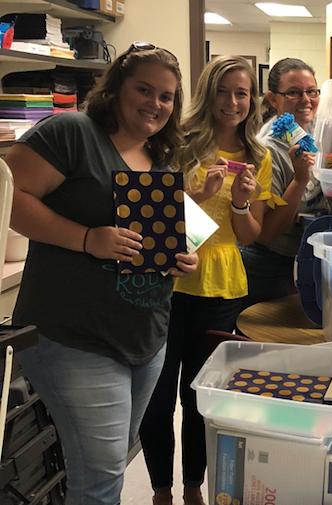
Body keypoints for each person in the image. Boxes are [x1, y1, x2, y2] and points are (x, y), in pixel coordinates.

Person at [7, 43, 198, 504]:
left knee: (105, 466)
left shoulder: (161, 158)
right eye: (144, 89)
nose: (156, 104)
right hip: (76, 338)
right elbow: (7, 201)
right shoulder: (72, 133)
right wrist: (88, 238)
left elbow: (167, 240)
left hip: (145, 338)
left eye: (167, 96)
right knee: (102, 478)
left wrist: (182, 257)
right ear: (116, 89)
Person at [138, 56, 273, 505]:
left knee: (201, 398)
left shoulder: (259, 156)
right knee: (156, 398)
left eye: (242, 93)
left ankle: (194, 485)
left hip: (222, 286)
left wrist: (238, 204)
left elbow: (250, 233)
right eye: (223, 91)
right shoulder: (175, 143)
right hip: (168, 281)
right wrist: (198, 195)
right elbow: (153, 216)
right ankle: (161, 489)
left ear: (252, 100)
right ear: (207, 92)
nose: (232, 102)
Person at [239, 58, 332, 308]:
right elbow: (266, 234)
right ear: (272, 98)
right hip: (269, 265)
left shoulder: (316, 129)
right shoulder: (267, 149)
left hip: (304, 256)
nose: (306, 100)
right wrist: (300, 181)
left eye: (312, 91)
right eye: (294, 93)